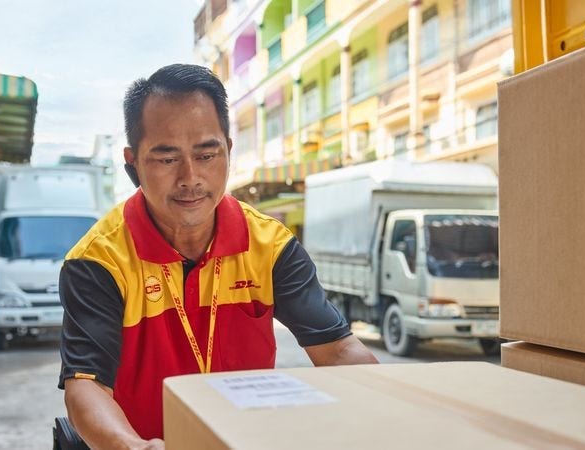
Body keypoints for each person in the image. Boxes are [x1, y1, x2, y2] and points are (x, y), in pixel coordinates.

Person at [58, 64, 378, 449]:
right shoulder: (98, 261)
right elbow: (86, 387)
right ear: (133, 163)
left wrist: (398, 407)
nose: (190, 177)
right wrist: (132, 446)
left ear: (228, 150)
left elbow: (338, 351)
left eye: (207, 154)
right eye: (167, 159)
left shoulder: (271, 245)